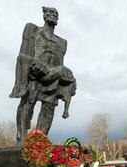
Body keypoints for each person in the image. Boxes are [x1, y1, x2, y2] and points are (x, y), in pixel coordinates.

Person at [10, 7, 76, 144]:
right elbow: (24, 54)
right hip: (35, 75)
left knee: (49, 108)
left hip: (54, 78)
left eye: (56, 14)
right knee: (28, 103)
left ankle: (40, 141)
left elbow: (60, 60)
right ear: (44, 15)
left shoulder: (62, 42)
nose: (53, 15)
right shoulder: (34, 31)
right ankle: (21, 135)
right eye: (50, 13)